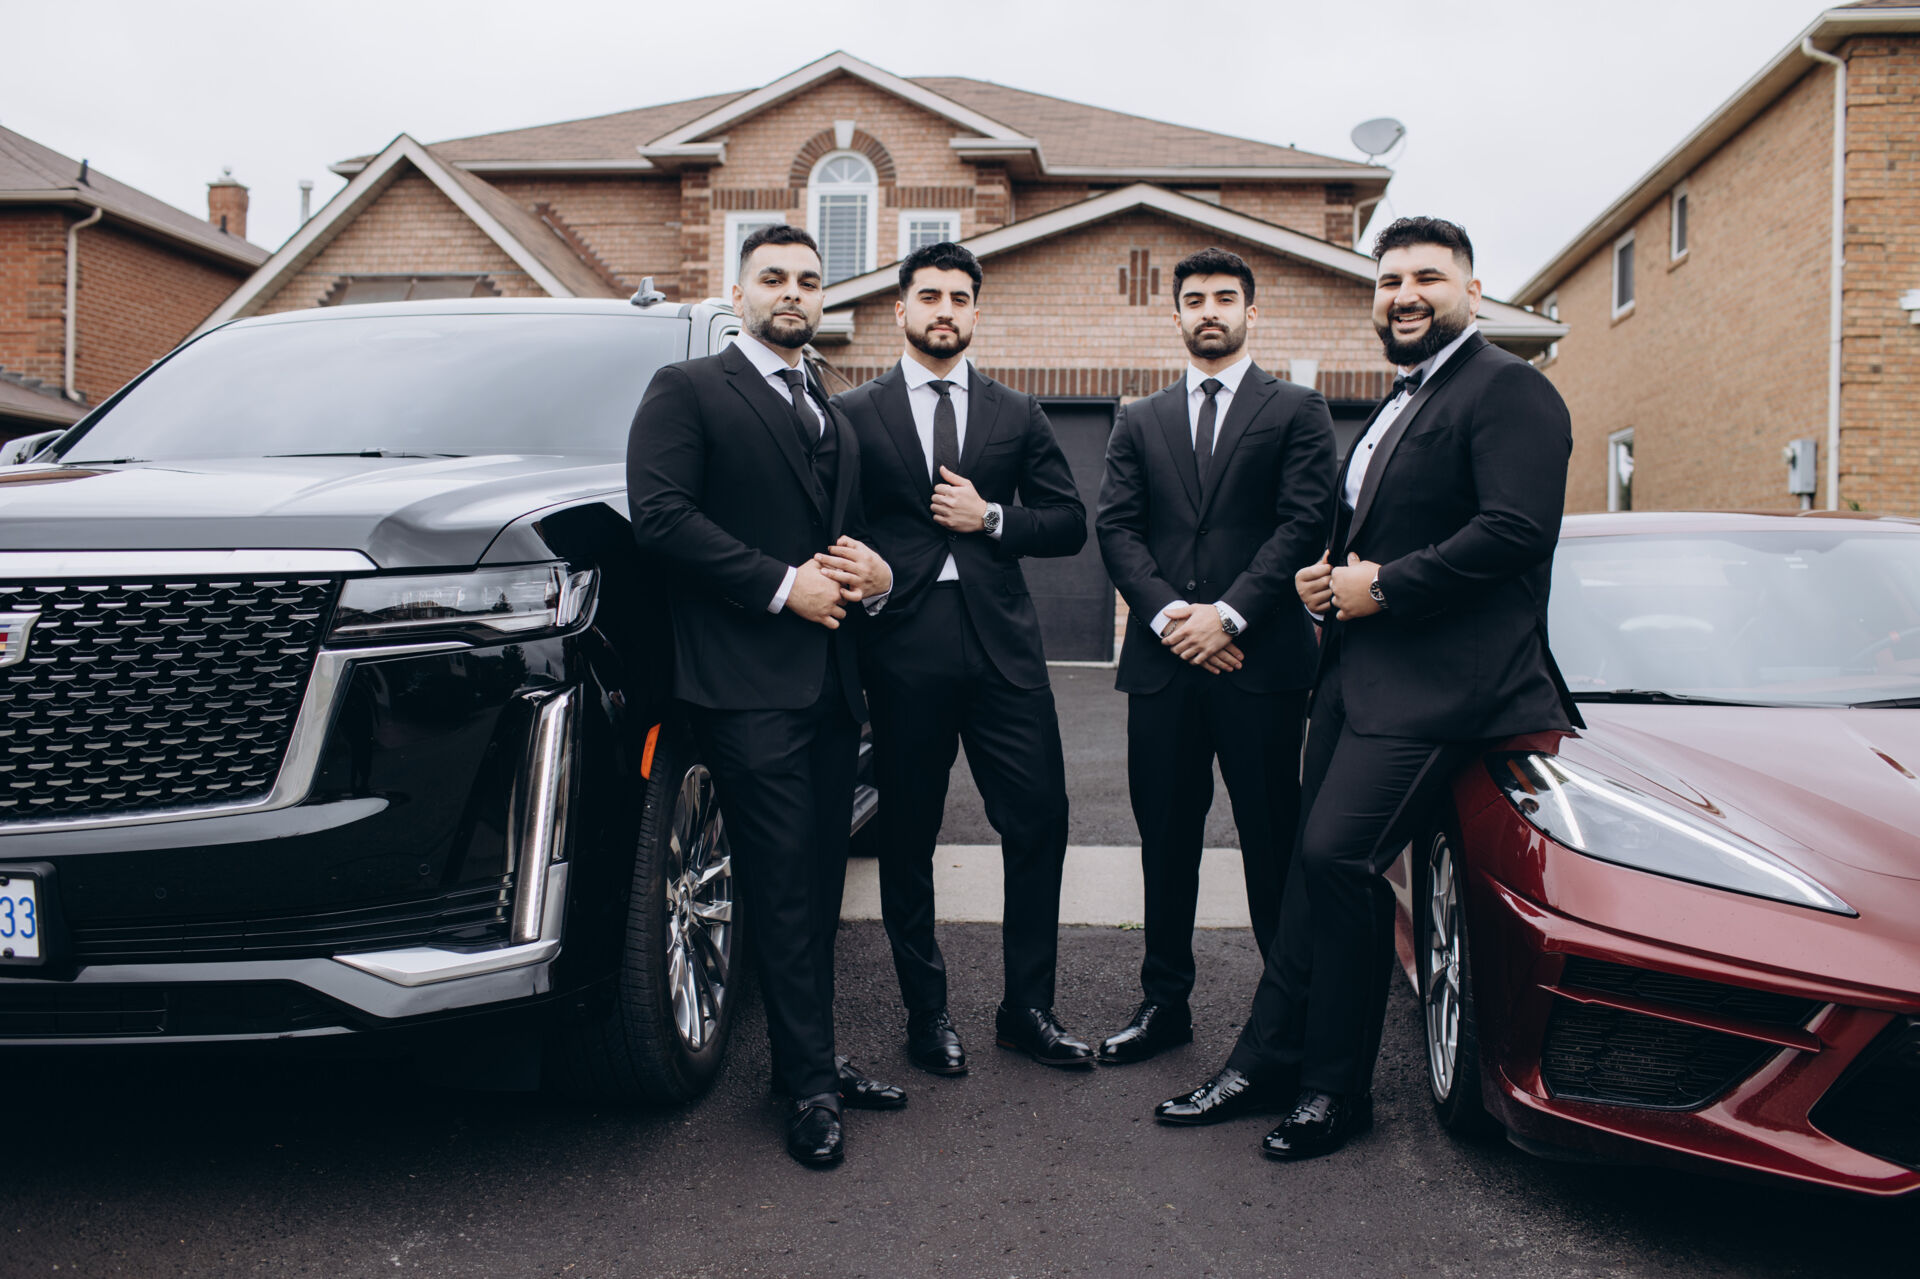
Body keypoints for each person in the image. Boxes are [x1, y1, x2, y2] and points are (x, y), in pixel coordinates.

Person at [1155, 216, 1579, 1160]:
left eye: (1427, 277)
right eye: (1390, 281)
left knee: (1340, 860)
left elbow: (1516, 530)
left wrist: (1381, 586)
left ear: (1474, 290)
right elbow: (1387, 528)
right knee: (1310, 872)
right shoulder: (1403, 399)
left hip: (1445, 689)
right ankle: (1265, 1059)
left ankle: (1334, 1090)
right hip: (1353, 678)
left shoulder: (1510, 389)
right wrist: (1331, 579)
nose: (1405, 295)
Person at [628, 223, 906, 1168]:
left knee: (819, 884)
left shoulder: (823, 400)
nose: (793, 291)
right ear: (738, 290)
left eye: (809, 280)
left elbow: (845, 529)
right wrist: (785, 586)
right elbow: (662, 518)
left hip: (830, 686)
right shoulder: (688, 388)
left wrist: (879, 574)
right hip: (742, 684)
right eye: (774, 277)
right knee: (782, 885)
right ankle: (812, 1090)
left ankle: (804, 1060)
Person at [831, 241, 1094, 1074]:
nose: (944, 309)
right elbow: (835, 523)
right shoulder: (854, 413)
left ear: (976, 312)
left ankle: (1028, 1009)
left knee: (1039, 822)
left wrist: (992, 518)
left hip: (1004, 654)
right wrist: (876, 578)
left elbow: (1069, 521)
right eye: (929, 295)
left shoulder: (1017, 413)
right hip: (901, 650)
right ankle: (927, 1013)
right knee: (908, 837)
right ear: (900, 309)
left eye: (958, 297)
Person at [1093, 246, 1335, 1064]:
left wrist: (1228, 617)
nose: (1209, 311)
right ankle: (1165, 1004)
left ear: (1250, 312)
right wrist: (1173, 618)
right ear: (1176, 315)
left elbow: (1303, 522)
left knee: (1273, 842)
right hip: (1163, 669)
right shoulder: (1140, 420)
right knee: (1166, 843)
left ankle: (1290, 1015)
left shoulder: (1297, 409)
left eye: (1224, 297)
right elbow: (1116, 528)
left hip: (1260, 667)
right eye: (1194, 299)